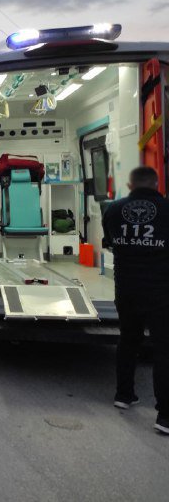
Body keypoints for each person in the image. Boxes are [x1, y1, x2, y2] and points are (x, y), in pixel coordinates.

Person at [102, 166, 169, 435]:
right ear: (157, 185)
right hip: (160, 292)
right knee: (164, 349)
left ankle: (124, 394)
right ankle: (164, 415)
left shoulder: (114, 210)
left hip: (126, 288)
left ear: (130, 185)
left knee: (128, 340)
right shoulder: (166, 210)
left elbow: (110, 242)